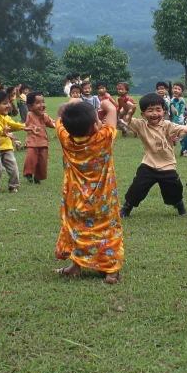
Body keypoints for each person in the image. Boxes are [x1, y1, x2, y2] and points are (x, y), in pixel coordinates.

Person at [53, 100, 124, 284]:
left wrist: (71, 103)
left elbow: (59, 115)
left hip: (74, 200)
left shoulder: (65, 139)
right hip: (104, 200)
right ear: (95, 125)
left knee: (77, 231)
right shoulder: (104, 138)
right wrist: (105, 103)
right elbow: (111, 108)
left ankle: (76, 266)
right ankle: (111, 272)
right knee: (108, 232)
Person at [119, 93, 187, 218]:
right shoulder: (140, 124)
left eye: (158, 110)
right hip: (149, 164)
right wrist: (128, 110)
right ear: (143, 114)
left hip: (167, 165)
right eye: (150, 110)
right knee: (137, 187)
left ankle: (179, 204)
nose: (154, 113)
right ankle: (127, 207)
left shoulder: (168, 125)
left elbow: (180, 129)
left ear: (163, 111)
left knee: (175, 189)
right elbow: (127, 121)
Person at [0, 90, 31, 193]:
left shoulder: (6, 117)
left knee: (13, 167)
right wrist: (3, 131)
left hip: (7, 147)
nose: (8, 105)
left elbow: (13, 125)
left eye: (8, 103)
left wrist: (24, 127)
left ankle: (13, 185)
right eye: (4, 103)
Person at [23, 92, 56, 183]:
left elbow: (52, 123)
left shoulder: (44, 115)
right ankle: (28, 173)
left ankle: (38, 177)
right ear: (30, 106)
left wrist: (60, 124)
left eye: (43, 102)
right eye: (38, 103)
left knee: (42, 161)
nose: (42, 105)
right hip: (32, 142)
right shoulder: (30, 114)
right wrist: (31, 128)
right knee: (31, 158)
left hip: (43, 142)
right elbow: (26, 127)